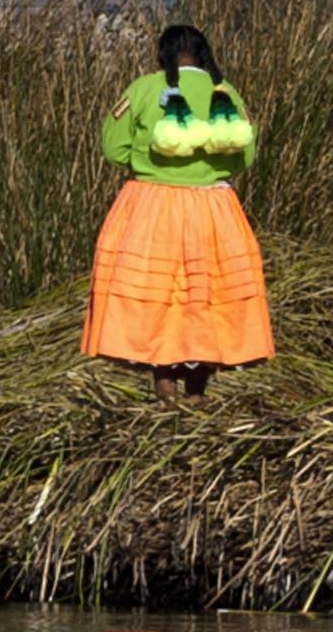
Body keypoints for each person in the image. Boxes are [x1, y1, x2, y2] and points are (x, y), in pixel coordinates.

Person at [85, 20, 275, 390]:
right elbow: (245, 155)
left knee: (160, 296)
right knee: (203, 296)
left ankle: (164, 383)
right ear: (205, 56)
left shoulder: (144, 88)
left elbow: (113, 147)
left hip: (152, 207)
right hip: (214, 209)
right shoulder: (226, 93)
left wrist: (150, 165)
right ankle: (197, 390)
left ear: (162, 55)